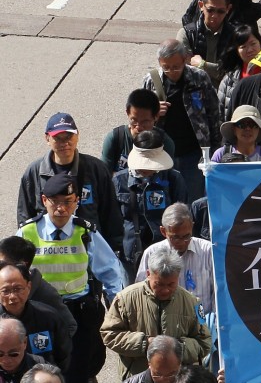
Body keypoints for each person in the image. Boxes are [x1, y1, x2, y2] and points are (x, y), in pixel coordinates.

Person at [16, 172, 126, 383]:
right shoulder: (27, 233)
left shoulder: (85, 232)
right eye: (55, 201)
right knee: (37, 374)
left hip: (78, 315)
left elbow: (110, 272)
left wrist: (119, 307)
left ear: (77, 201)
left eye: (68, 201)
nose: (62, 208)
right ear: (44, 200)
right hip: (38, 315)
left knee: (76, 376)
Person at [17, 113, 123, 252]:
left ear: (77, 135)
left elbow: (111, 215)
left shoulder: (96, 169)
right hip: (47, 251)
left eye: (68, 137)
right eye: (57, 138)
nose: (64, 143)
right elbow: (25, 216)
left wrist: (114, 251)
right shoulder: (34, 172)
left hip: (90, 250)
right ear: (47, 138)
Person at [101, 244, 211, 378]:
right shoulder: (125, 299)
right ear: (148, 274)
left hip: (179, 382)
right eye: (159, 284)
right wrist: (144, 343)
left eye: (171, 284)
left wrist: (175, 348)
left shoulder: (193, 303)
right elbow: (109, 334)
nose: (165, 290)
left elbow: (205, 343)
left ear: (178, 277)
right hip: (137, 378)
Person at [141, 40, 223, 202]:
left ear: (185, 59)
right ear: (159, 63)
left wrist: (214, 149)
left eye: (176, 66)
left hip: (193, 153)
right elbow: (140, 120)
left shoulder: (199, 78)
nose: (171, 71)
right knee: (164, 200)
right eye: (166, 67)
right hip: (162, 153)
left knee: (193, 200)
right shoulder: (151, 81)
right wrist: (154, 112)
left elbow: (214, 114)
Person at [113, 131, 188, 275]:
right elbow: (112, 220)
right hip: (130, 254)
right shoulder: (118, 181)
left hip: (166, 254)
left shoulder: (173, 179)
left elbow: (183, 216)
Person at [136, 203, 215, 314]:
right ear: (163, 231)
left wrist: (213, 325)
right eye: (175, 237)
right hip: (165, 320)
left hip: (202, 319)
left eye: (186, 236)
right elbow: (142, 292)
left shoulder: (207, 251)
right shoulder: (152, 253)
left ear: (192, 227)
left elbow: (218, 292)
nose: (182, 242)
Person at [0, 236, 76, 341]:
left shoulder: (45, 294)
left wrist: (38, 348)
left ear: (22, 264)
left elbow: (69, 326)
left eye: (2, 263)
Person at [0, 262, 72, 372]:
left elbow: (63, 355)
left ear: (28, 287)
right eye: (6, 291)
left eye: (18, 289)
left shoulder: (48, 317)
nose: (13, 296)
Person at [101, 90, 178, 174]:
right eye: (134, 120)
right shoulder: (114, 139)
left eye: (145, 122)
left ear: (156, 116)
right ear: (127, 113)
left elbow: (168, 178)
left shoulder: (165, 143)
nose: (139, 127)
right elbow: (103, 176)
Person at [177, 0, 236, 87]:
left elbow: (231, 74)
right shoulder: (187, 34)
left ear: (228, 9)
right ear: (201, 5)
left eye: (220, 11)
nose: (215, 15)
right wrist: (216, 69)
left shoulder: (235, 36)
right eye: (210, 10)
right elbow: (183, 70)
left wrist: (202, 65)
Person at [216, 25, 261, 122]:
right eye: (243, 46)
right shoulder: (229, 79)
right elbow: (219, 112)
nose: (250, 50)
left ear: (260, 43)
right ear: (237, 51)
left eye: (253, 43)